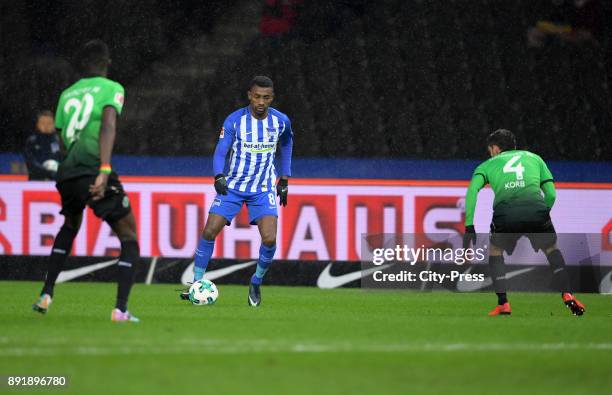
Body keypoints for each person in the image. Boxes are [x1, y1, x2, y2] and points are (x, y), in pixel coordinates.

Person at [32, 40, 140, 322]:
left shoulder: (67, 94)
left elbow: (60, 137)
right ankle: (121, 310)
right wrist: (103, 169)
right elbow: (107, 125)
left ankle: (46, 293)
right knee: (129, 236)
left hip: (68, 172)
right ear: (107, 62)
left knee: (69, 225)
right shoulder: (112, 88)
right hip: (94, 168)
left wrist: (72, 167)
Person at [181, 75, 293, 306]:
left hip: (262, 188)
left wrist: (284, 178)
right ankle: (196, 283)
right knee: (210, 230)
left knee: (270, 238)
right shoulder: (235, 121)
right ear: (249, 96)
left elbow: (287, 143)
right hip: (233, 187)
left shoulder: (281, 121)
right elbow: (221, 150)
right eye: (257, 96)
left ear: (272, 98)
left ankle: (256, 281)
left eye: (266, 98)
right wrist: (219, 175)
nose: (261, 102)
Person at [462, 129, 585, 316]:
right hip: (536, 211)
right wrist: (541, 216)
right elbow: (551, 194)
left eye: (490, 149)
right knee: (551, 248)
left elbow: (472, 192)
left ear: (495, 148)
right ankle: (567, 294)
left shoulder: (486, 166)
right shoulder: (535, 159)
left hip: (506, 215)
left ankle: (503, 303)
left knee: (495, 250)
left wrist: (469, 225)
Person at [24, 110, 61, 180]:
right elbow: (30, 163)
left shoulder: (59, 142)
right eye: (43, 123)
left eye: (49, 123)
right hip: (36, 182)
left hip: (56, 182)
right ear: (37, 124)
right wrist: (48, 172)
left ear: (54, 124)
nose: (46, 126)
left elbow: (64, 161)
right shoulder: (32, 142)